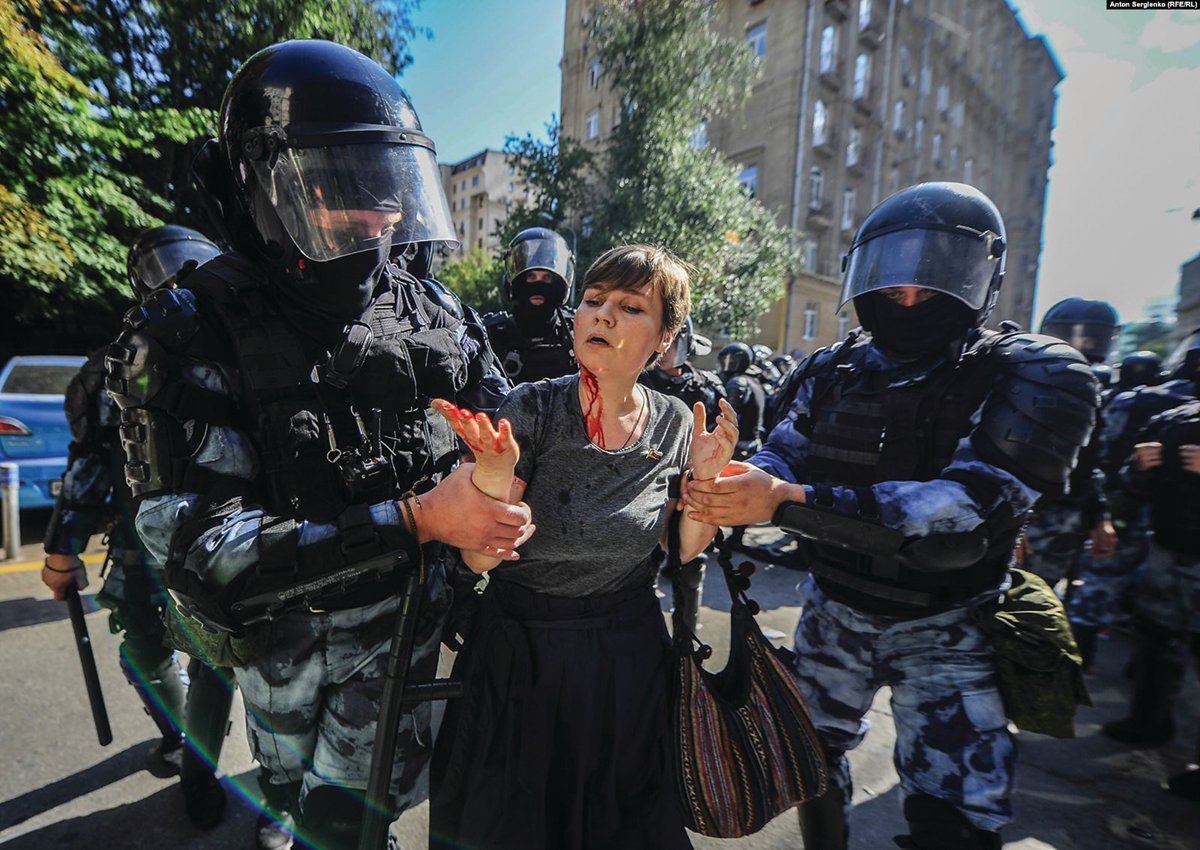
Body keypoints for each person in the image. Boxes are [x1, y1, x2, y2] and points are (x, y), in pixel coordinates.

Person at [105, 39, 531, 850]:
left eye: (391, 190)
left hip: (412, 635)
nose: (381, 216)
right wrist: (416, 520)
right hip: (284, 652)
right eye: (347, 188)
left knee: (365, 820)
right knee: (308, 816)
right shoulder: (189, 328)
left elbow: (514, 430)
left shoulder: (432, 311)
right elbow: (200, 557)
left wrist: (524, 468)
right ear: (265, 186)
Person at [683, 182, 1099, 850]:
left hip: (950, 629)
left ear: (979, 281)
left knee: (953, 816)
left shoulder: (1029, 373)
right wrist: (726, 479)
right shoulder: (833, 369)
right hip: (835, 612)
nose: (907, 301)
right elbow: (783, 458)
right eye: (893, 283)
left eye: (931, 286)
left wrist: (788, 502)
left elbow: (961, 520)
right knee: (808, 768)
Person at [428, 244, 738, 850]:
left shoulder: (678, 422)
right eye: (594, 301)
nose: (602, 316)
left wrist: (704, 487)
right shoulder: (533, 407)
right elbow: (479, 557)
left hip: (625, 659)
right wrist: (493, 477)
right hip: (521, 658)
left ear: (664, 337)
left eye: (629, 306)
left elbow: (683, 550)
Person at [42, 225, 230, 825]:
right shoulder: (117, 366)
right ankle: (182, 741)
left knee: (220, 662)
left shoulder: (248, 349)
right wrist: (61, 547)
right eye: (160, 274)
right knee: (144, 650)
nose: (174, 284)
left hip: (230, 539)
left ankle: (204, 778)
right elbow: (92, 458)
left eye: (185, 270)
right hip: (143, 542)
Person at [1105, 394, 1200, 801]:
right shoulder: (1176, 419)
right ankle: (1148, 722)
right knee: (1155, 639)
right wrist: (1139, 466)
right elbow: (1129, 483)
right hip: (1167, 550)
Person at [1019, 299, 1118, 594]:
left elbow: (1087, 461)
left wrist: (1099, 516)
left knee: (1041, 600)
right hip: (1023, 515)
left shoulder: (1094, 391)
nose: (1083, 345)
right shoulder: (1020, 382)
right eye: (1076, 336)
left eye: (1091, 338)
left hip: (1066, 516)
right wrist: (1009, 520)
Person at [639, 316, 726, 635]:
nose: (670, 350)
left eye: (677, 341)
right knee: (641, 570)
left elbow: (722, 441)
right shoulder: (640, 380)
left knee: (690, 567)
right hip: (649, 489)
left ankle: (686, 641)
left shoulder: (707, 386)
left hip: (691, 490)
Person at [484, 226, 577, 384]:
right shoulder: (491, 336)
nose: (538, 285)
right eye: (531, 277)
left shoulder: (578, 332)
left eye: (547, 278)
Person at [717, 341, 765, 459]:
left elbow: (729, 415)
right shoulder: (754, 380)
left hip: (739, 445)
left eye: (732, 360)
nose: (728, 363)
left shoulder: (737, 382)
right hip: (754, 442)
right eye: (726, 360)